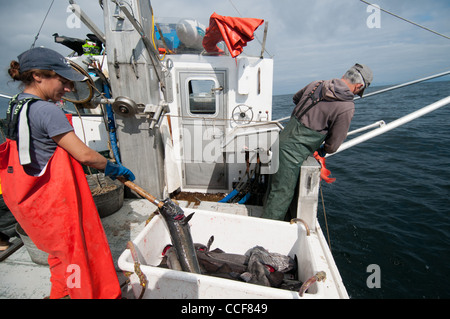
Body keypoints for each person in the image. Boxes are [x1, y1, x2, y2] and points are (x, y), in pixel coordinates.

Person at [0, 47, 135, 299]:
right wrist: (112, 167)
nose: (69, 88)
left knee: (58, 254)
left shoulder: (16, 105)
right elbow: (84, 155)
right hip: (52, 204)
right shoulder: (47, 111)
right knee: (77, 259)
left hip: (27, 202)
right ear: (38, 76)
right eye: (62, 81)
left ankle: (61, 292)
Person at [263, 63, 373, 221]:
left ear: (345, 75)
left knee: (273, 188)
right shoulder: (346, 106)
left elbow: (296, 98)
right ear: (359, 86)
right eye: (359, 91)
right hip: (293, 154)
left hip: (280, 141)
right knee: (281, 195)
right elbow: (333, 145)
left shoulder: (317, 84)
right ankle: (264, 239)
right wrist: (323, 149)